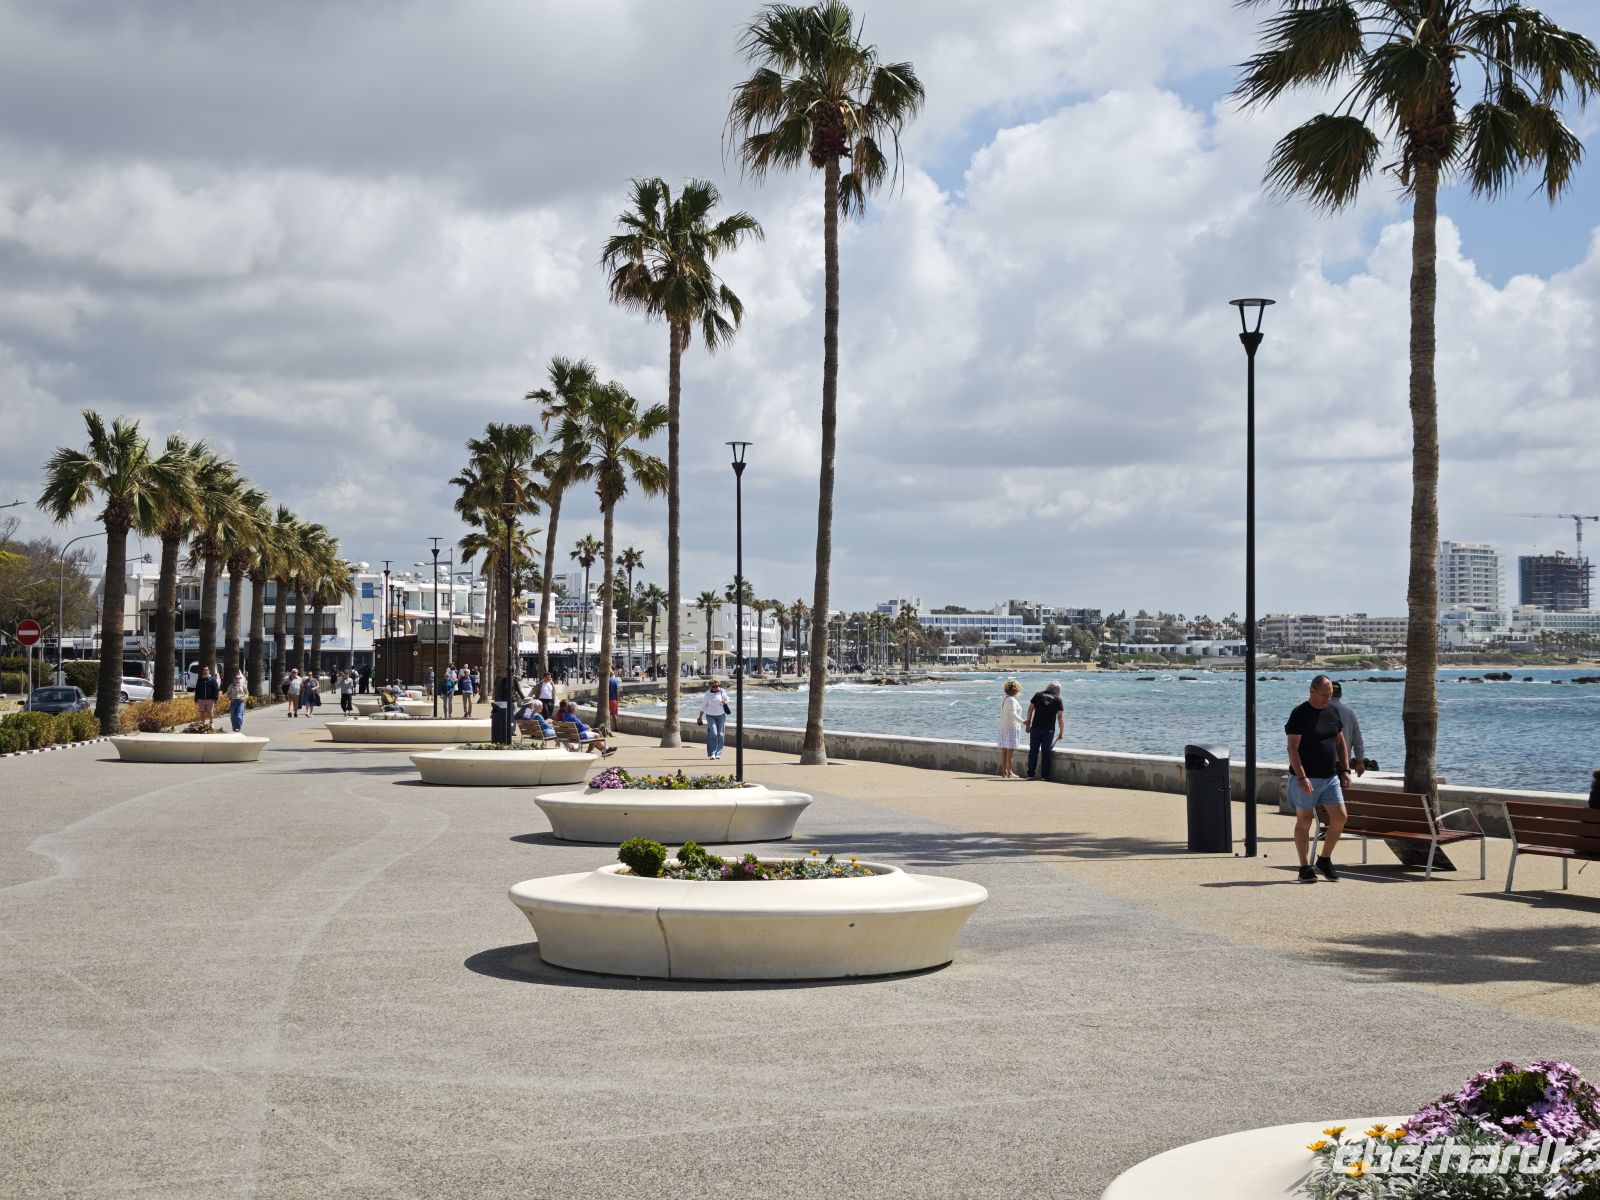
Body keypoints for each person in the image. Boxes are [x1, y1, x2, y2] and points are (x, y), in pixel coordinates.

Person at [1285, 674, 1352, 883]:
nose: (1327, 699)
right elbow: (1292, 748)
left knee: (1340, 817)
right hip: (1306, 777)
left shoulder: (1332, 711)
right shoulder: (1299, 714)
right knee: (1304, 820)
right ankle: (1304, 866)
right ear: (1312, 691)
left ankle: (1324, 859)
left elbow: (1340, 742)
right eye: (1324, 694)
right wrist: (1301, 776)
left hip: (1330, 776)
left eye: (1330, 695)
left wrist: (1345, 769)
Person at [1023, 681, 1065, 781]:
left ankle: (1030, 775)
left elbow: (1030, 710)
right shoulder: (1058, 699)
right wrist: (1061, 732)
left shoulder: (1038, 695)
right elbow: (1060, 718)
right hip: (1049, 729)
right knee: (1046, 752)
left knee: (1033, 751)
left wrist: (1028, 723)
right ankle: (1044, 776)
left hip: (1036, 728)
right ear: (1058, 690)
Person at [1328, 682, 1366, 776]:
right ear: (1340, 694)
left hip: (1322, 762)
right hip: (1343, 764)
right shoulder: (1349, 712)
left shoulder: (1321, 710)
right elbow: (1357, 739)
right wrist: (1360, 761)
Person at [997, 679, 1026, 779]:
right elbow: (1013, 714)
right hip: (1012, 727)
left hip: (1003, 726)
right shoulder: (1012, 700)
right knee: (1010, 750)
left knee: (1004, 749)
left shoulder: (1004, 698)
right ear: (1017, 689)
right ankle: (1010, 772)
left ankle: (1004, 771)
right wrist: (1024, 722)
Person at [698, 678, 731, 760]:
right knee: (714, 733)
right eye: (714, 686)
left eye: (717, 686)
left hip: (721, 716)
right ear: (710, 686)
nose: (716, 687)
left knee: (721, 734)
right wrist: (700, 717)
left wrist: (725, 702)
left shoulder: (721, 691)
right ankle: (712, 753)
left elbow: (727, 698)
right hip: (710, 716)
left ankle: (718, 753)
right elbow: (703, 706)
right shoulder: (707, 694)